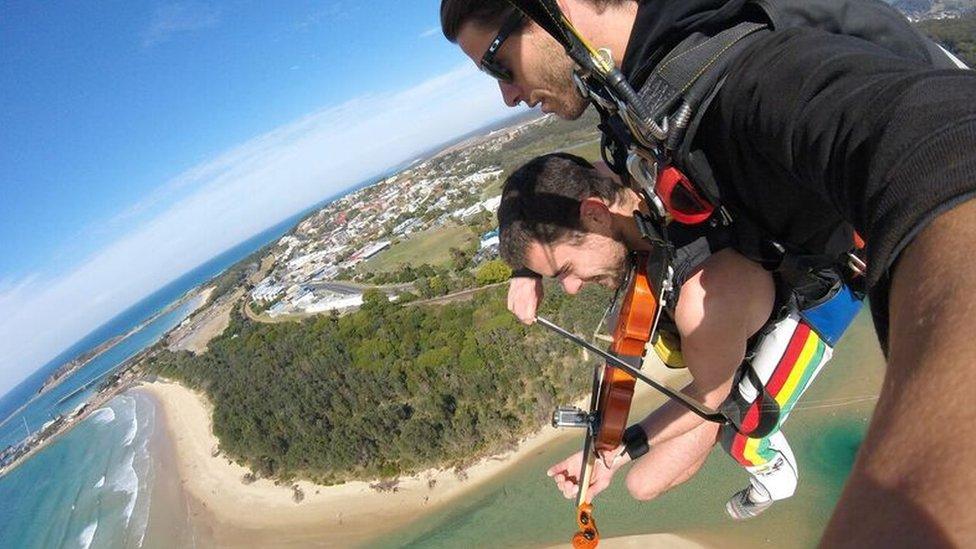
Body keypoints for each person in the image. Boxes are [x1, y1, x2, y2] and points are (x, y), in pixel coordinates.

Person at [440, 0, 976, 544]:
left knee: (732, 436)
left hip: (811, 291)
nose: (506, 94)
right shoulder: (631, 89)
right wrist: (526, 262)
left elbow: (942, 140)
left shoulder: (747, 81)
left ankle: (770, 469)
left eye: (497, 64)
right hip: (742, 288)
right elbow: (591, 176)